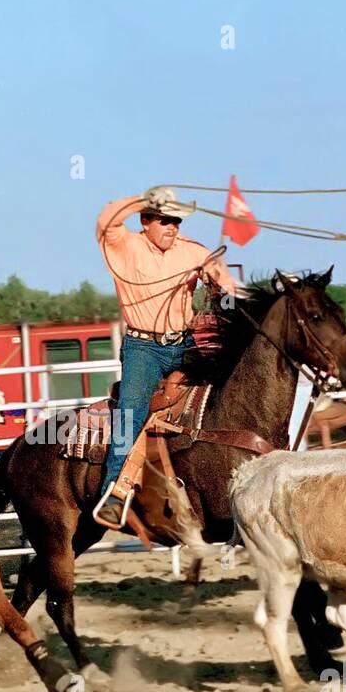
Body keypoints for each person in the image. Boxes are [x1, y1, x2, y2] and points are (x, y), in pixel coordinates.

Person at [91, 186, 236, 529]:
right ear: (146, 221)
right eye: (165, 220)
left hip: (184, 343)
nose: (173, 227)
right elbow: (106, 219)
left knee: (227, 393)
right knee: (132, 411)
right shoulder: (124, 245)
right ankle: (114, 492)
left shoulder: (194, 252)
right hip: (143, 349)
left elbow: (227, 287)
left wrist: (223, 292)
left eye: (176, 220)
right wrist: (142, 198)